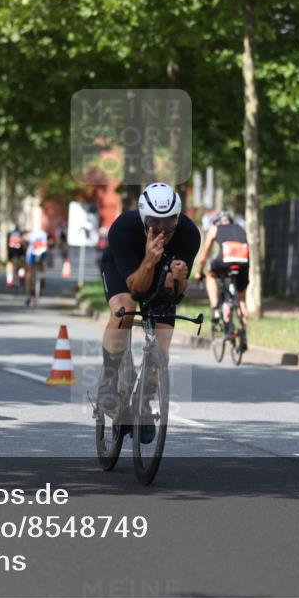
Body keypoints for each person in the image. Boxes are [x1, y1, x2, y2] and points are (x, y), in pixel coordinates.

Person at [96, 182, 201, 443]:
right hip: (128, 271)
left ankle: (144, 406)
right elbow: (136, 288)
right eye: (155, 222)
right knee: (125, 310)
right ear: (144, 219)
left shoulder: (188, 234)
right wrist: (149, 261)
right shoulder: (124, 230)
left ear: (178, 218)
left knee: (161, 349)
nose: (163, 230)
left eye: (169, 223)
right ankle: (109, 379)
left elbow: (176, 295)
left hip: (160, 276)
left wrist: (179, 279)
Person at [194, 211, 249, 352]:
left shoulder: (215, 228)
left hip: (224, 262)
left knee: (211, 275)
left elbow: (205, 252)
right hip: (243, 262)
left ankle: (216, 309)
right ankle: (244, 335)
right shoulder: (240, 227)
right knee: (241, 299)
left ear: (218, 221)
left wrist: (200, 270)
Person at [24, 227, 50, 306]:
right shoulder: (44, 234)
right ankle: (42, 280)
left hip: (32, 252)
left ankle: (28, 294)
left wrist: (25, 248)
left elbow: (24, 239)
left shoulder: (30, 234)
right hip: (42, 251)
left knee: (29, 272)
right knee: (41, 267)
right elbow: (47, 245)